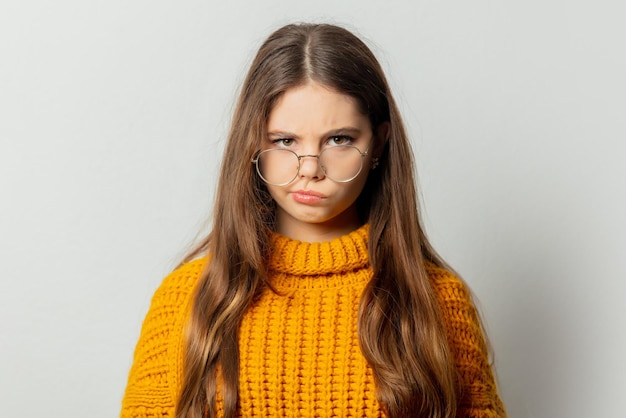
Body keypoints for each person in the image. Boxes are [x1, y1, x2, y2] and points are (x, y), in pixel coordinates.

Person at [121, 23, 507, 418]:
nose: (310, 168)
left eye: (338, 139)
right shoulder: (186, 298)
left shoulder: (437, 301)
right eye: (285, 141)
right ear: (253, 143)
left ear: (379, 142)